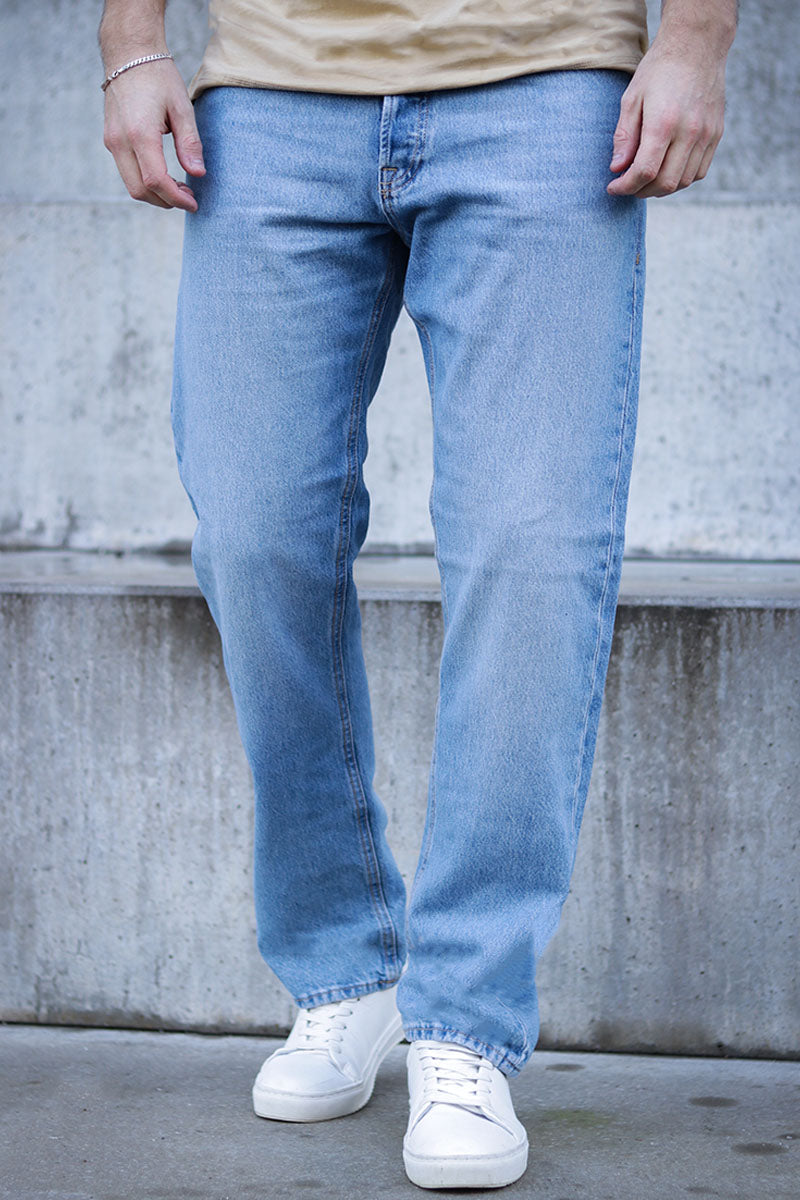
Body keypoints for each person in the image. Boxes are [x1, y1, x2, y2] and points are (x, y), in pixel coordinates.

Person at [99, 0, 737, 1189]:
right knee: (254, 535)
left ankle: (465, 1021)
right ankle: (347, 969)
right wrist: (129, 47)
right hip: (273, 92)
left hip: (543, 81)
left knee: (531, 551)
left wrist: (692, 39)